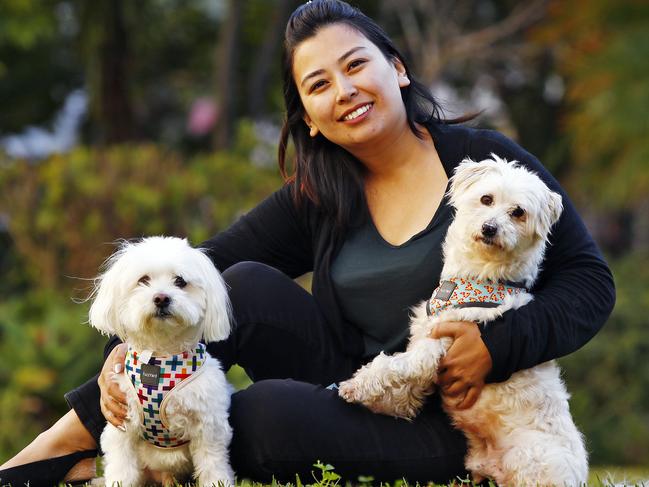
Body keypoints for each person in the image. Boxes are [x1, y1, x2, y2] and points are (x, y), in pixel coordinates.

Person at [0, 1, 615, 485]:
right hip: (360, 390)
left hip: (459, 420)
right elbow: (199, 267)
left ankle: (77, 455)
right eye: (319, 85)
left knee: (258, 417)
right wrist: (122, 353)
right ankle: (70, 445)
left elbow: (590, 283)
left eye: (355, 66)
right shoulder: (323, 190)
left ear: (395, 68)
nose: (344, 90)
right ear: (310, 118)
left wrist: (496, 344)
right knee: (239, 284)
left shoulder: (490, 170)